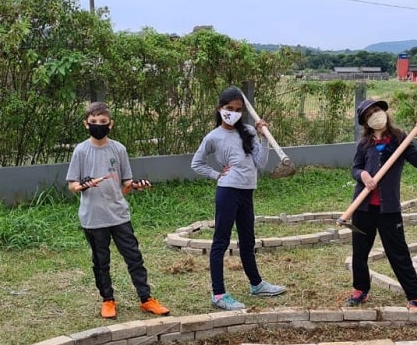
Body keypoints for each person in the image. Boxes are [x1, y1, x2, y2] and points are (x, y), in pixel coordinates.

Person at [66, 102, 170, 320]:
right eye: (93, 122)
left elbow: (125, 184)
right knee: (101, 261)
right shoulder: (81, 151)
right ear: (86, 124)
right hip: (93, 218)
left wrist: (135, 185)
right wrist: (83, 185)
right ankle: (108, 300)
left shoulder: (119, 149)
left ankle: (146, 299)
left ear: (110, 124)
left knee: (134, 257)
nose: (98, 125)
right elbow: (72, 185)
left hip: (119, 214)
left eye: (103, 122)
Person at [191, 86, 286, 311]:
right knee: (221, 242)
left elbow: (260, 163)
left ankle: (257, 284)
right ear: (220, 109)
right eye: (228, 108)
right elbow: (197, 163)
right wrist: (216, 175)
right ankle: (219, 294)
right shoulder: (213, 137)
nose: (232, 112)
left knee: (247, 240)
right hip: (227, 192)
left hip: (247, 191)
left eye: (237, 109)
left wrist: (263, 137)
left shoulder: (248, 132)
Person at [346, 99, 417, 309]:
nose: (375, 115)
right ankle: (360, 289)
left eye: (377, 110)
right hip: (363, 207)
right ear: (365, 122)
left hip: (389, 209)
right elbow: (355, 168)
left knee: (398, 252)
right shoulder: (364, 144)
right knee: (360, 251)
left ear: (385, 112)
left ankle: (416, 296)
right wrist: (363, 175)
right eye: (369, 114)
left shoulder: (400, 139)